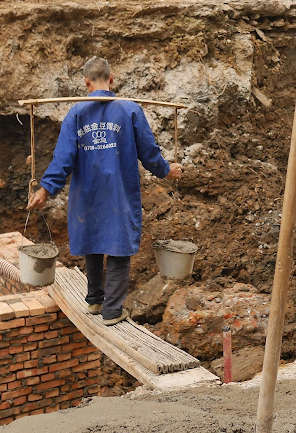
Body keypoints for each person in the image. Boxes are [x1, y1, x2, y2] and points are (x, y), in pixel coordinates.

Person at [27, 56, 182, 326]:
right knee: (119, 247)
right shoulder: (130, 110)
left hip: (87, 194)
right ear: (111, 79)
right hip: (118, 192)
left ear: (86, 83)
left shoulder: (76, 113)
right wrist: (167, 170)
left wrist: (45, 190)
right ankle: (112, 310)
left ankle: (95, 300)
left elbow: (63, 159)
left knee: (94, 242)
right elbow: (149, 153)